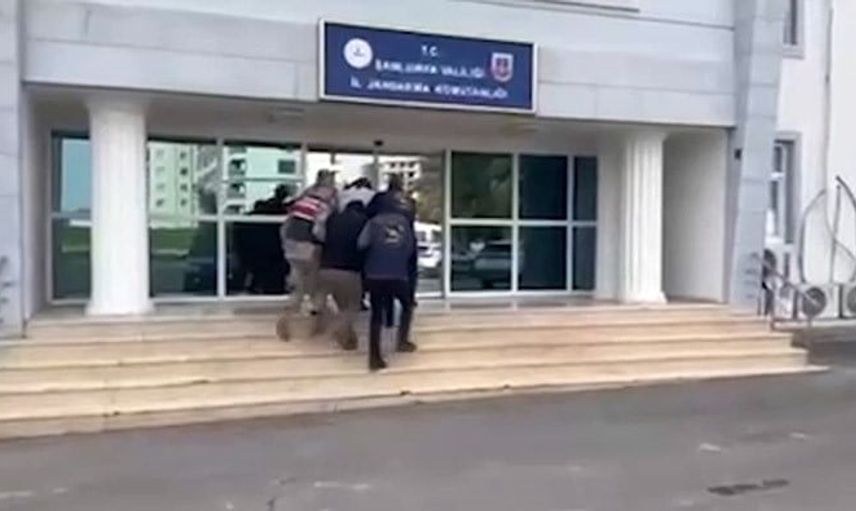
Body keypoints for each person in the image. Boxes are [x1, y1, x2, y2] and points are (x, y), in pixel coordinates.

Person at [358, 183, 418, 371]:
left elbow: (361, 244)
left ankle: (374, 357)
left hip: (375, 273)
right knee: (407, 305)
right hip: (398, 273)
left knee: (376, 315)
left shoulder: (373, 222)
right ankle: (402, 341)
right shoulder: (404, 223)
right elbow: (410, 249)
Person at [277, 171, 337, 340]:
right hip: (309, 247)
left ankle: (287, 318)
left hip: (291, 248)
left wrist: (286, 246)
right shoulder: (322, 205)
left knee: (300, 287)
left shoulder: (302, 200)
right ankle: (318, 325)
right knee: (319, 286)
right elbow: (318, 230)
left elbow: (285, 226)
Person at [312, 199, 369, 350]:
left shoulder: (332, 218)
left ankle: (348, 339)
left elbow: (318, 236)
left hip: (326, 268)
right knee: (352, 307)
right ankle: (337, 329)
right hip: (350, 270)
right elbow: (364, 244)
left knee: (342, 307)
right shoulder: (364, 222)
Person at [367, 174, 418, 325]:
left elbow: (369, 214)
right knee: (407, 274)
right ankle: (409, 300)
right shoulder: (409, 200)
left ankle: (387, 317)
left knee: (384, 276)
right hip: (406, 238)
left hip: (382, 239)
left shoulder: (380, 198)